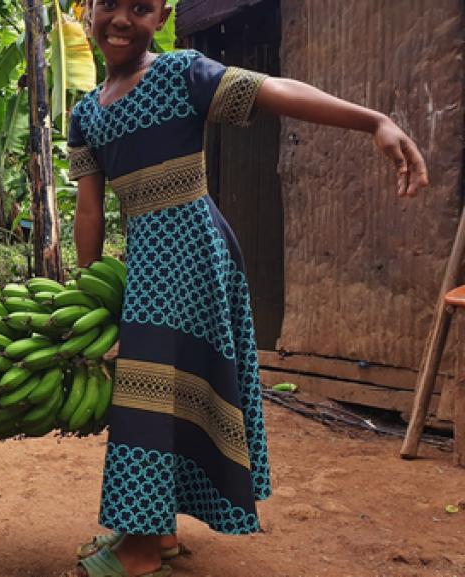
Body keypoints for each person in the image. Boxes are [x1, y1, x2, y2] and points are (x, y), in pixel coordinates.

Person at [67, 0, 428, 576]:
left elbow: (273, 89)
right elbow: (90, 209)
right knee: (159, 386)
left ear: (160, 17)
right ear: (89, 10)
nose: (121, 19)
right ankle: (153, 534)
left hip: (190, 243)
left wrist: (373, 120)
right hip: (147, 255)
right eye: (110, 4)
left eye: (140, 8)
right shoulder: (86, 113)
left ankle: (137, 550)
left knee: (148, 391)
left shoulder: (181, 73)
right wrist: (89, 287)